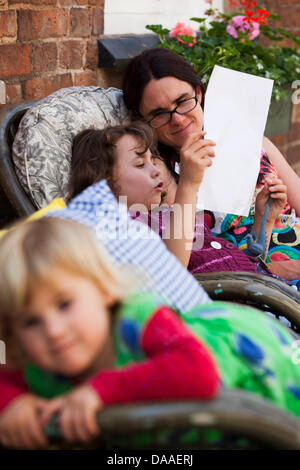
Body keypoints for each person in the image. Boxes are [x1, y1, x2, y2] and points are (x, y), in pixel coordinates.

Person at [0, 217, 300, 449]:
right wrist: (12, 403)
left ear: (104, 289)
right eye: (30, 322)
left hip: (263, 376)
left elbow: (197, 371)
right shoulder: (42, 364)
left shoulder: (137, 317)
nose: (52, 331)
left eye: (64, 304)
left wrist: (100, 391)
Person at [122, 48, 300, 280]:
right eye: (159, 114)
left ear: (198, 92)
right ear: (143, 120)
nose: (177, 119)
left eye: (182, 101)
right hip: (259, 279)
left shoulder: (245, 136)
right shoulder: (157, 172)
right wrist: (278, 270)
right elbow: (195, 260)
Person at [68, 122, 300, 291]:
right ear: (103, 180)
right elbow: (173, 273)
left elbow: (237, 263)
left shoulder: (166, 216)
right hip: (252, 311)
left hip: (268, 293)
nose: (156, 169)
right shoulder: (120, 226)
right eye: (140, 164)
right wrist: (188, 186)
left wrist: (265, 218)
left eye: (152, 160)